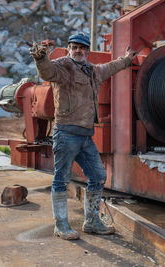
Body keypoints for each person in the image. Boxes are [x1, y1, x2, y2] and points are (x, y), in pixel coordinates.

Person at [30, 32, 136, 240]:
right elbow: (47, 72)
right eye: (74, 47)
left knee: (98, 176)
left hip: (86, 137)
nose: (78, 51)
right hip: (66, 133)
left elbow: (110, 68)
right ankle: (61, 226)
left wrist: (127, 59)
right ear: (69, 48)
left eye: (82, 48)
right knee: (61, 179)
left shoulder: (92, 71)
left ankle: (92, 221)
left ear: (87, 51)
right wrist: (41, 58)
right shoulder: (62, 66)